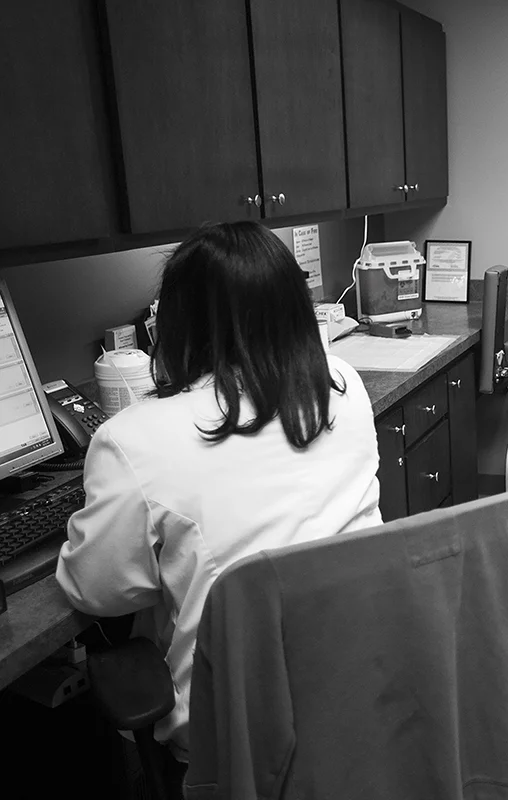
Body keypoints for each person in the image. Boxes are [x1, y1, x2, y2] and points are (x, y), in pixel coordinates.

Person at [57, 221, 383, 768]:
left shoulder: (135, 438)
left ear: (181, 322)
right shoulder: (340, 386)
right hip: (367, 689)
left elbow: (99, 592)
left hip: (238, 736)